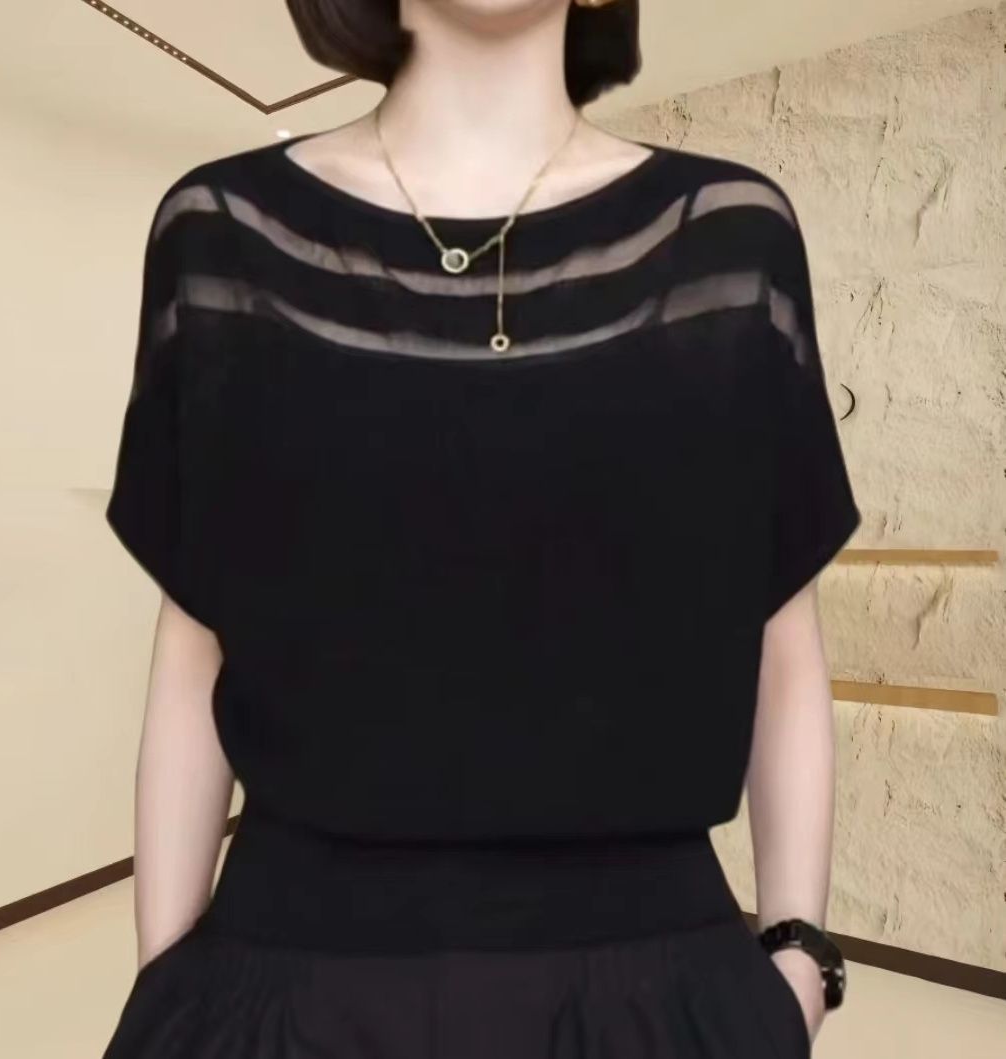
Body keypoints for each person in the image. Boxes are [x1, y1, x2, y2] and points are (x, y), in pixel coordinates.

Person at [100, 0, 861, 1055]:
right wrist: (164, 986)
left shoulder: (731, 238)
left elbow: (784, 632)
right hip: (285, 981)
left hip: (657, 990)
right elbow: (197, 638)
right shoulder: (223, 233)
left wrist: (798, 963)